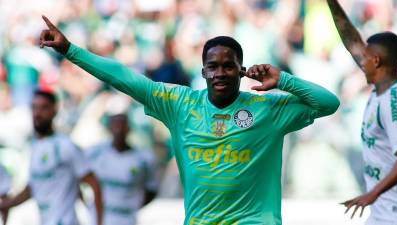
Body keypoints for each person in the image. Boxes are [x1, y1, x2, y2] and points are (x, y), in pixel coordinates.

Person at [39, 15, 339, 225]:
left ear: (242, 70)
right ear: (203, 72)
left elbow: (329, 103)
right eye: (213, 66)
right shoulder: (180, 105)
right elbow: (124, 77)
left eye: (228, 66)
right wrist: (70, 50)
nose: (220, 73)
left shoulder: (267, 110)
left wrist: (283, 79)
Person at [327, 0, 397, 224]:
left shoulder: (394, 100)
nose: (360, 60)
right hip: (380, 213)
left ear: (376, 61)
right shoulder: (379, 92)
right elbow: (352, 42)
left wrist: (372, 193)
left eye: (365, 57)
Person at [0, 90, 103, 225]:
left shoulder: (66, 146)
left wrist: (98, 221)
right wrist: (6, 204)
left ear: (55, 110)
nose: (37, 113)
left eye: (44, 108)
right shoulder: (35, 145)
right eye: (34, 108)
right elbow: (32, 188)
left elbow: (94, 184)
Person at [86, 113, 158, 225]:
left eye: (122, 125)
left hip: (126, 218)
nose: (118, 130)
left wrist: (135, 205)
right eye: (115, 125)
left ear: (129, 129)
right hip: (100, 217)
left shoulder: (143, 158)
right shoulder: (94, 153)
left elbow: (152, 189)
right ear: (109, 128)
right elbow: (78, 176)